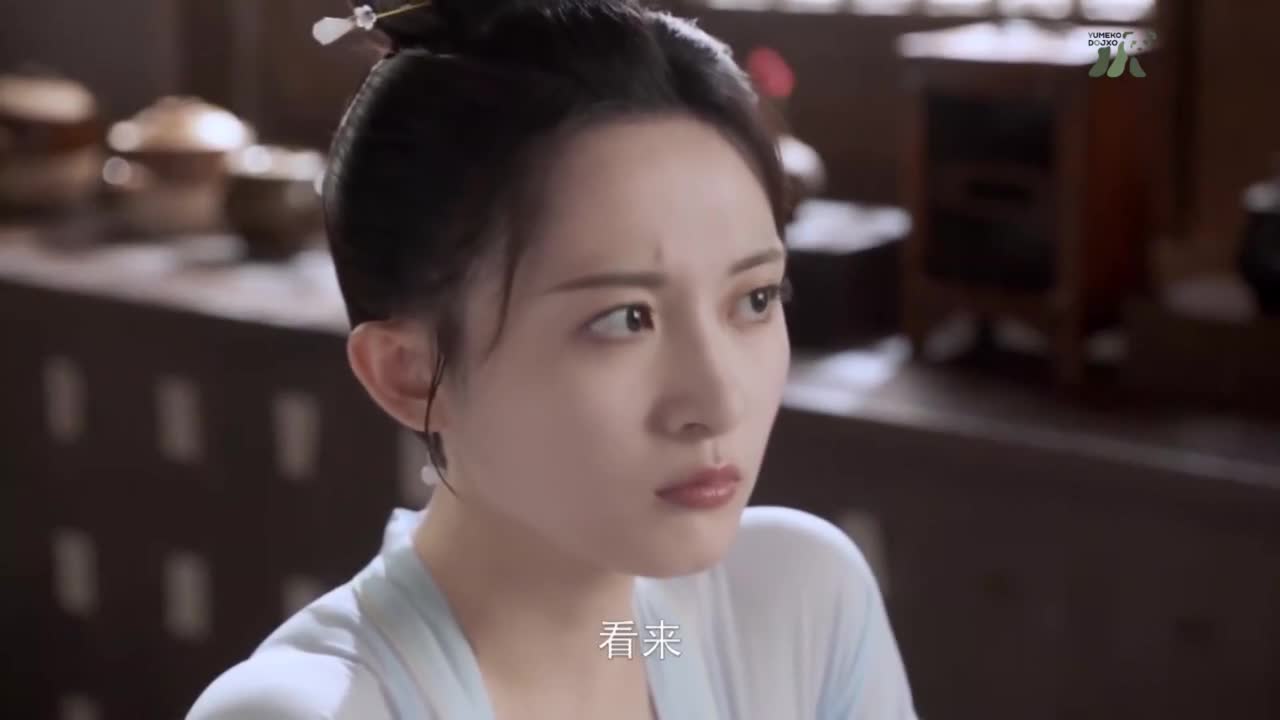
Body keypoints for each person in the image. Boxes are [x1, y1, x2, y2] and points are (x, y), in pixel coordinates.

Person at [187, 0, 918, 717]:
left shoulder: (795, 606)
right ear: (410, 373)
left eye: (755, 299)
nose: (719, 401)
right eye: (626, 319)